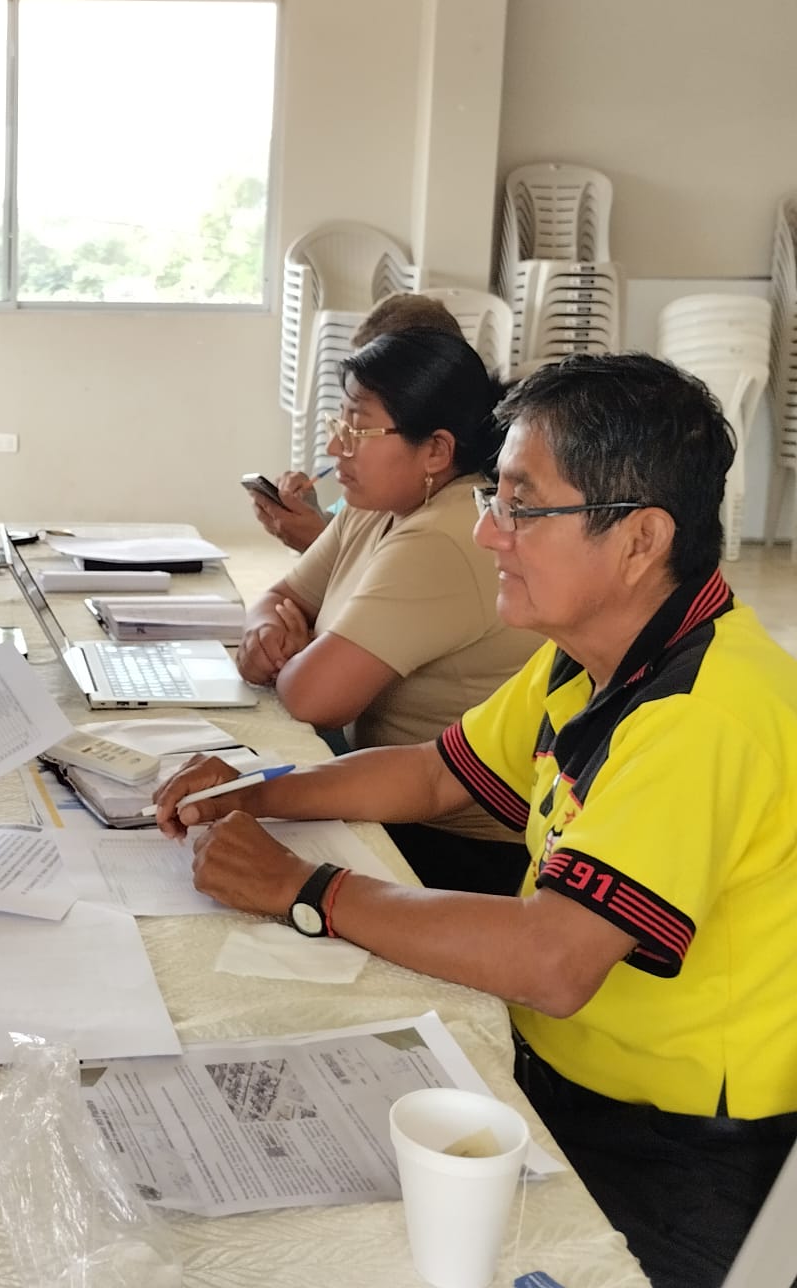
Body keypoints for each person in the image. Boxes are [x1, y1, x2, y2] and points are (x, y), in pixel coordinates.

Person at [155, 354, 797, 1288]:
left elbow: (553, 961)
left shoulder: (704, 714)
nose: (489, 532)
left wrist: (304, 889)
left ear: (640, 539)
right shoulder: (597, 652)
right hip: (558, 1068)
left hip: (676, 1150)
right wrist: (257, 792)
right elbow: (433, 774)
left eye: (523, 507)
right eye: (496, 498)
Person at [240, 329, 539, 894]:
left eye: (357, 429)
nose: (336, 447)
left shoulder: (447, 534)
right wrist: (266, 632)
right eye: (340, 422)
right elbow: (281, 597)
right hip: (383, 786)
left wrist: (292, 648)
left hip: (452, 843)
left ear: (436, 450)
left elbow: (315, 700)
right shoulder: (376, 503)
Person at [253, 292, 467, 552]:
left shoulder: (453, 521)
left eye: (360, 428)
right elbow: (346, 528)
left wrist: (317, 544)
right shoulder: (383, 484)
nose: (333, 447)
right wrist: (313, 517)